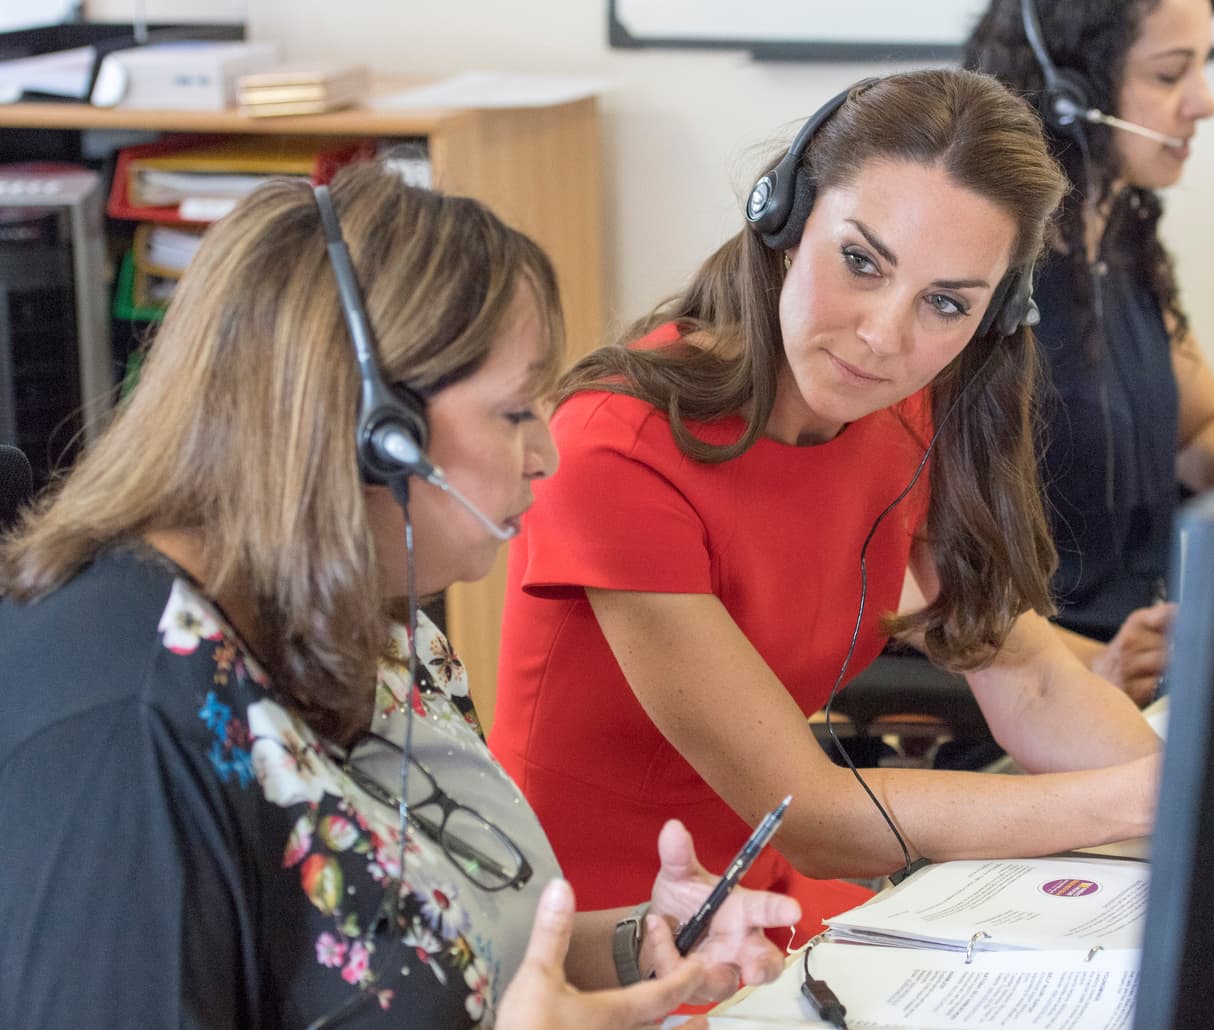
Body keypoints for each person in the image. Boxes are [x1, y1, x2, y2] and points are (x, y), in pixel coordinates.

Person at [0, 161, 801, 1029]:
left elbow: (417, 961)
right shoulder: (123, 732)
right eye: (515, 412)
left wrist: (638, 940)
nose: (545, 454)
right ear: (372, 430)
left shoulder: (371, 624)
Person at [490, 68, 1165, 947]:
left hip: (770, 905)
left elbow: (1029, 675)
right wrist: (1129, 801)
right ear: (786, 221)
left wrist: (1201, 808)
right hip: (608, 939)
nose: (884, 336)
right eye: (860, 262)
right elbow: (807, 813)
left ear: (994, 317)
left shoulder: (904, 412)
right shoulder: (614, 447)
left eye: (946, 303)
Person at [964, 0, 1214, 705]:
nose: (1204, 103)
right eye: (1169, 74)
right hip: (1038, 688)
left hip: (1146, 660)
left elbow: (1204, 426)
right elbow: (924, 571)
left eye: (1203, 67)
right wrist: (1093, 666)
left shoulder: (1121, 241)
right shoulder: (975, 272)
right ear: (1071, 91)